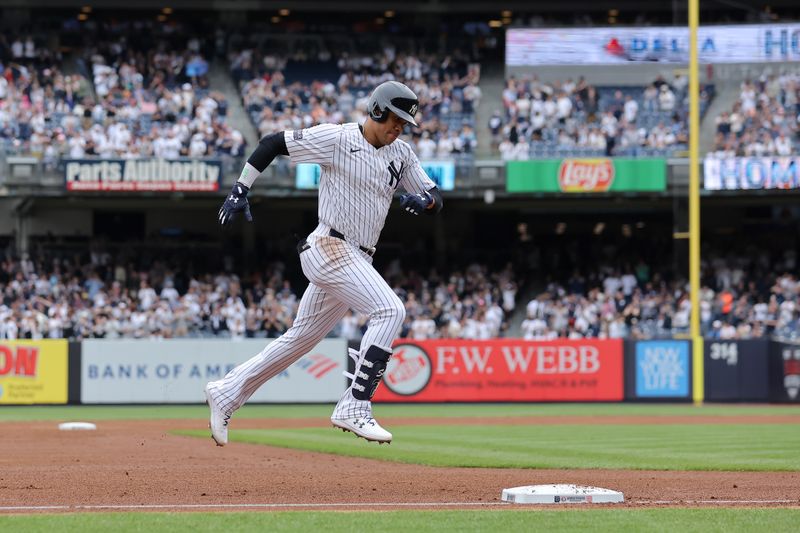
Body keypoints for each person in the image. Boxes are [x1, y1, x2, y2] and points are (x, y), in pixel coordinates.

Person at [205, 81, 443, 445]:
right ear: (377, 110)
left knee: (299, 340)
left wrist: (424, 202)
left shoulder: (402, 153)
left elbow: (434, 196)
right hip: (329, 246)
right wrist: (241, 187)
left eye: (404, 123)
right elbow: (272, 143)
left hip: (357, 257)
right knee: (390, 311)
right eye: (394, 119)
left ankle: (227, 392)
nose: (398, 128)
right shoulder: (338, 138)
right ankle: (355, 405)